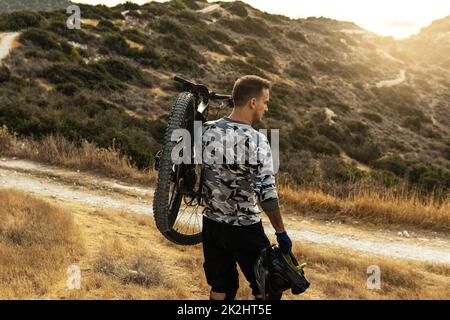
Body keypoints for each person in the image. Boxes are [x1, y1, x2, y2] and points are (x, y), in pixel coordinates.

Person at [201, 75, 292, 300]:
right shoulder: (257, 140)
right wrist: (281, 233)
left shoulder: (205, 130)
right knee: (270, 286)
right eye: (265, 102)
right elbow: (267, 195)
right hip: (244, 228)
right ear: (253, 102)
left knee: (220, 287)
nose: (266, 108)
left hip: (211, 224)